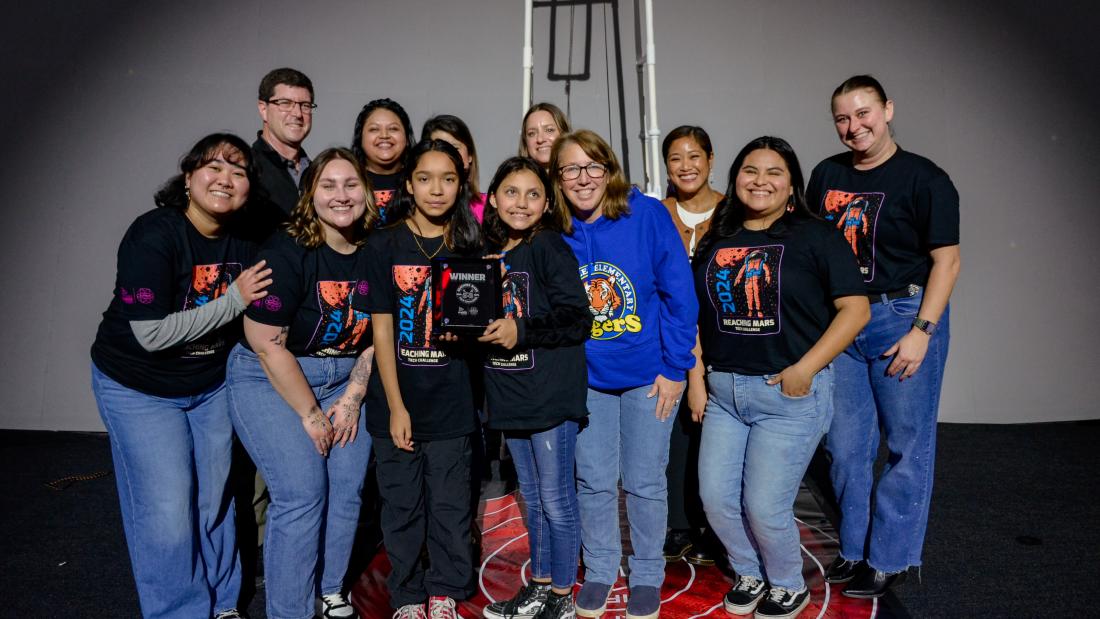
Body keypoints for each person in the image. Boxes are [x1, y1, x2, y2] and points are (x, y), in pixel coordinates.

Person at [89, 133, 272, 619]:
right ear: (188, 178)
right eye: (213, 167)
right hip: (139, 386)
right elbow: (151, 335)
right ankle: (180, 611)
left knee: (214, 502)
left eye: (238, 172)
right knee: (169, 514)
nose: (225, 179)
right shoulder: (155, 234)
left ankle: (222, 603)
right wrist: (233, 299)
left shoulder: (247, 239)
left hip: (208, 384)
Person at [689, 137, 869, 619]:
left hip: (786, 394)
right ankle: (749, 572)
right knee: (716, 499)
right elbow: (695, 315)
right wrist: (698, 379)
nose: (760, 180)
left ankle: (788, 584)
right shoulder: (717, 238)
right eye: (750, 170)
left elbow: (855, 309)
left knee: (765, 506)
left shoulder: (816, 236)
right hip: (725, 393)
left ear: (792, 184)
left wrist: (805, 368)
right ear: (736, 177)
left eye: (774, 172)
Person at [807, 75, 961, 598]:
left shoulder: (925, 178)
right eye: (843, 119)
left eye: (864, 113)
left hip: (902, 316)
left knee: (906, 446)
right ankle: (854, 549)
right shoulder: (827, 174)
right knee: (846, 447)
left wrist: (923, 330)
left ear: (888, 109)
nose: (854, 127)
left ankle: (891, 556)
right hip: (843, 321)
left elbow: (947, 260)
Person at [551, 130, 698, 619]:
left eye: (593, 166)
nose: (583, 178)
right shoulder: (555, 227)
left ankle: (648, 574)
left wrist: (676, 369)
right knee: (592, 481)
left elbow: (681, 295)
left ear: (610, 169)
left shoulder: (648, 215)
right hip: (586, 378)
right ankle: (599, 569)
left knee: (645, 482)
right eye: (571, 169)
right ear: (558, 178)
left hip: (647, 376)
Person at [227, 148, 377, 619]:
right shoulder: (288, 249)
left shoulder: (378, 248)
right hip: (271, 375)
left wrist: (353, 397)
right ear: (310, 194)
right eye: (328, 185)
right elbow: (266, 343)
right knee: (302, 490)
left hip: (346, 378)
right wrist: (311, 415)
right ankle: (289, 611)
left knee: (348, 484)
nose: (341, 195)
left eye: (351, 184)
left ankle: (330, 590)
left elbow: (386, 333)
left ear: (367, 192)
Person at [363, 139, 482, 619]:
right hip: (397, 402)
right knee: (402, 507)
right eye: (426, 178)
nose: (437, 189)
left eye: (449, 179)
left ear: (460, 184)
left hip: (453, 400)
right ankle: (408, 594)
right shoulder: (383, 244)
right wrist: (396, 406)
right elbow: (383, 329)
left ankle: (446, 589)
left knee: (451, 509)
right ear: (409, 184)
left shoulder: (470, 244)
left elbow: (477, 327)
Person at [478, 157, 590, 619]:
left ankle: (563, 595)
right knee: (533, 498)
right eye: (510, 191)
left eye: (532, 194)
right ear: (494, 197)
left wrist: (519, 330)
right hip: (509, 395)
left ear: (547, 203)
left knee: (556, 500)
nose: (520, 203)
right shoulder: (489, 254)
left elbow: (577, 319)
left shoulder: (548, 247)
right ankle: (540, 586)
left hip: (549, 394)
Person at [657, 125, 724, 567]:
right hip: (670, 338)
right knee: (675, 435)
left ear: (711, 159)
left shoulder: (733, 210)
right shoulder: (655, 212)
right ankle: (677, 523)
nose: (686, 166)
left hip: (721, 338)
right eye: (676, 158)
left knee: (714, 434)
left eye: (694, 156)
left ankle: (711, 525)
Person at [252, 67, 315, 223]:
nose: (298, 114)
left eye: (305, 105)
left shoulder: (318, 172)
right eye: (285, 103)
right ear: (263, 109)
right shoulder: (247, 170)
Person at [352, 98, 415, 226]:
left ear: (407, 137)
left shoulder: (419, 179)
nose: (384, 135)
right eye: (374, 129)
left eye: (393, 129)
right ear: (360, 138)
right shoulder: (349, 180)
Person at [422, 114, 487, 222]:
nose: (448, 155)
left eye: (455, 147)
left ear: (469, 155)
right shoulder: (416, 207)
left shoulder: (489, 206)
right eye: (440, 147)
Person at [519, 102, 571, 170]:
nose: (540, 139)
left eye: (549, 130)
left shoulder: (584, 178)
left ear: (564, 134)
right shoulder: (515, 179)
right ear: (525, 141)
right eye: (532, 133)